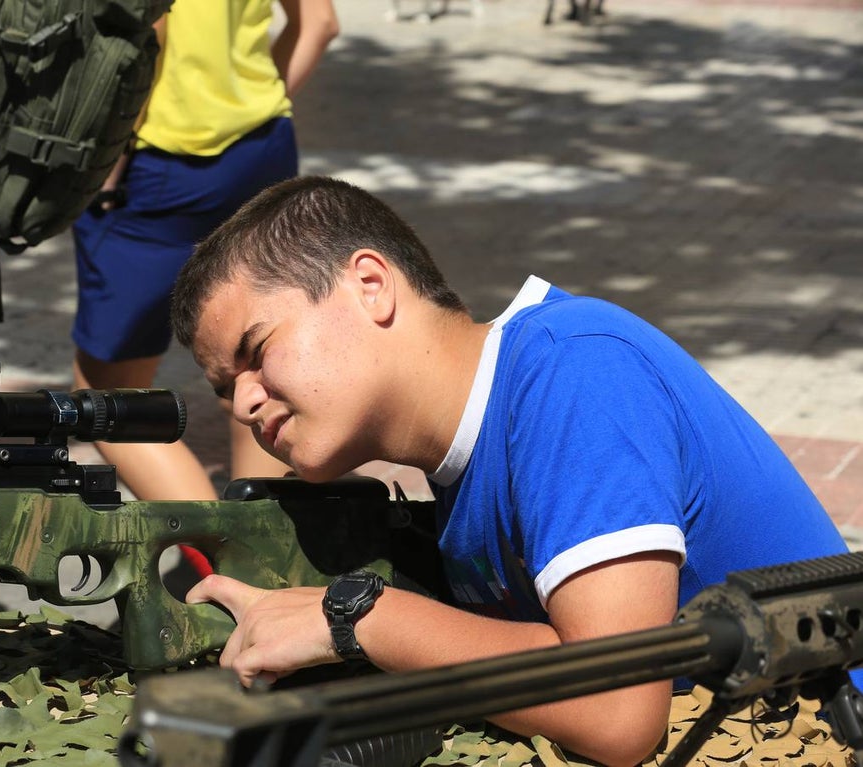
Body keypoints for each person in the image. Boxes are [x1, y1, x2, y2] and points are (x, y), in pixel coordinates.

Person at [168, 176, 854, 766]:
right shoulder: (467, 451)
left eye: (256, 351)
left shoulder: (572, 370)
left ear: (370, 284)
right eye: (226, 388)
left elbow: (617, 710)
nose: (245, 400)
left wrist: (354, 617)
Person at [70, 0, 339, 518]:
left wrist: (105, 174)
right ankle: (267, 549)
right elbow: (320, 23)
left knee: (107, 395)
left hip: (156, 163)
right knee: (256, 366)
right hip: (262, 147)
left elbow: (149, 37)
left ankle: (216, 544)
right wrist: (258, 102)